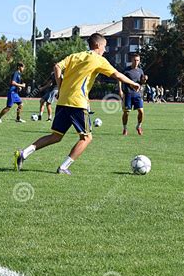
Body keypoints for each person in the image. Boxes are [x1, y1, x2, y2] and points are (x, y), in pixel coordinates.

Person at [14, 33, 140, 175]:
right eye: (105, 46)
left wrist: (60, 86)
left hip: (63, 101)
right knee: (86, 138)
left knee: (56, 136)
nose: (105, 50)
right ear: (98, 45)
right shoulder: (98, 59)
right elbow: (117, 74)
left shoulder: (75, 56)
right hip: (77, 103)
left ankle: (23, 153)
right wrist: (132, 83)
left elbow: (57, 67)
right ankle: (63, 167)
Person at [119, 53, 145, 136]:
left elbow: (141, 82)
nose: (136, 62)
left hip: (137, 94)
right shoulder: (126, 70)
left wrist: (144, 79)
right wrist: (120, 90)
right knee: (126, 113)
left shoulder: (140, 71)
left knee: (141, 111)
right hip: (128, 94)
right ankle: (125, 128)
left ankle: (139, 126)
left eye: (138, 60)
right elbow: (119, 79)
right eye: (135, 60)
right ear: (131, 60)